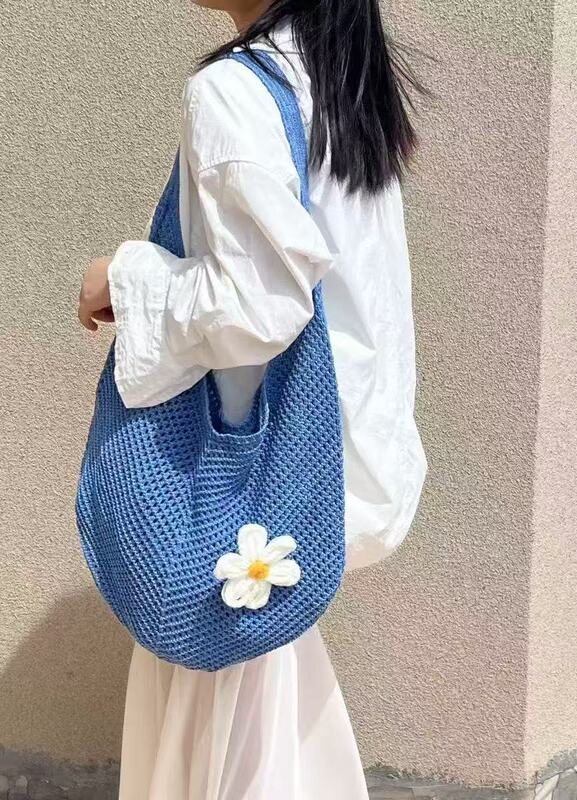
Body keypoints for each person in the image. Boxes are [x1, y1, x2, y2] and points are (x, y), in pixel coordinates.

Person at [76, 1, 427, 797]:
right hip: (315, 473)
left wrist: (122, 281)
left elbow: (261, 303)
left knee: (216, 723)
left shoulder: (236, 90)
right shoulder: (337, 79)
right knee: (275, 728)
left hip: (230, 493)